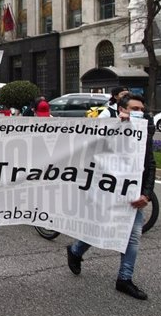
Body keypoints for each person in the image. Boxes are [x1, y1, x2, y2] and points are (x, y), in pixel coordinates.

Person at [66, 94, 155, 300]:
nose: (139, 113)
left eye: (141, 109)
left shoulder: (143, 133)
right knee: (100, 225)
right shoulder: (105, 129)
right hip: (105, 190)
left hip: (131, 194)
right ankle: (76, 251)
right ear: (122, 110)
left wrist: (147, 194)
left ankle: (124, 279)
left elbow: (150, 164)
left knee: (132, 236)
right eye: (134, 109)